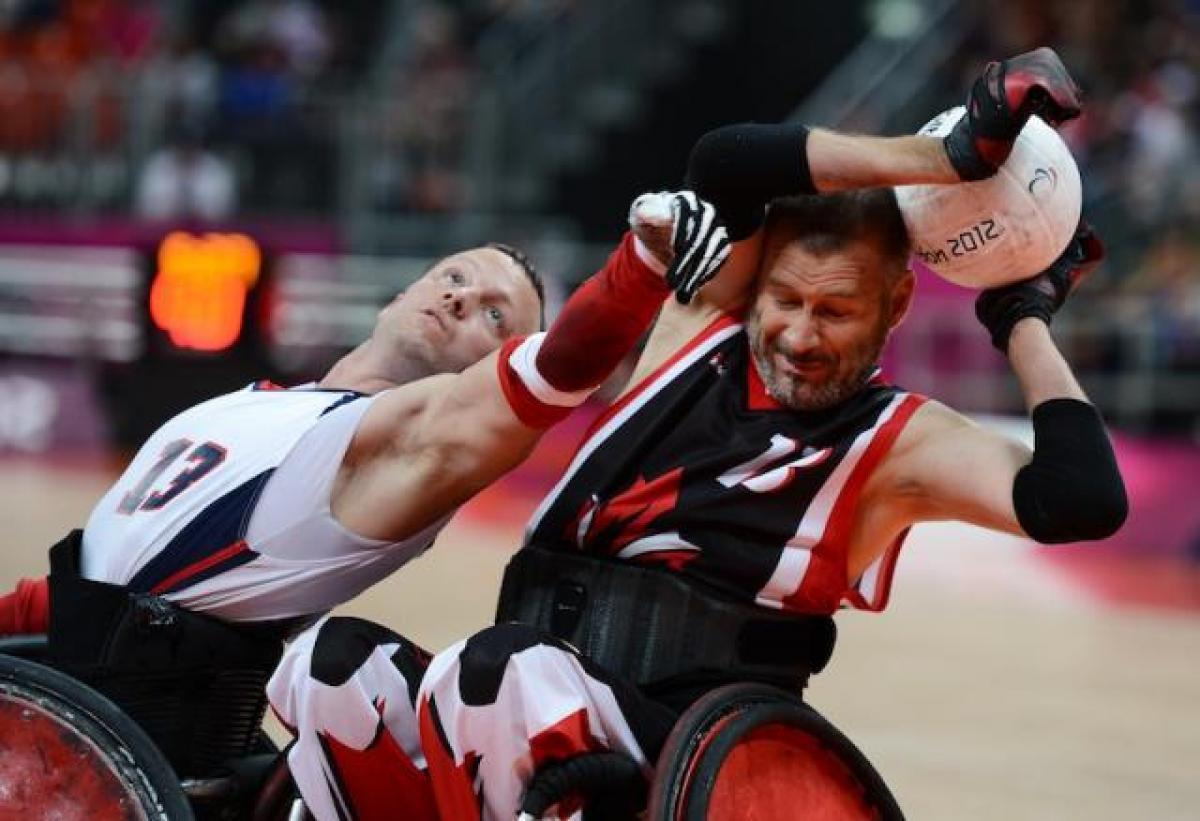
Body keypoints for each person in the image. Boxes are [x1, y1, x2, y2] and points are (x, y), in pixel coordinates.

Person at [267, 48, 1128, 820]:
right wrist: (942, 158)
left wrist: (1022, 317)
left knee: (496, 673)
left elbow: (1080, 499)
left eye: (835, 311)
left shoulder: (895, 441)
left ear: (896, 306)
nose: (799, 332)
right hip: (521, 689)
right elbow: (727, 160)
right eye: (786, 300)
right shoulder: (702, 327)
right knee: (329, 666)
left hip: (677, 752)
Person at [0, 190, 731, 777]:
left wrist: (641, 262)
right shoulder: (245, 404)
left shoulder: (398, 446)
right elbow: (97, 576)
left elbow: (558, 371)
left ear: (495, 361)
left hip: (110, 746)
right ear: (403, 291)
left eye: (493, 314)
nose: (459, 299)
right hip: (51, 702)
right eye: (454, 276)